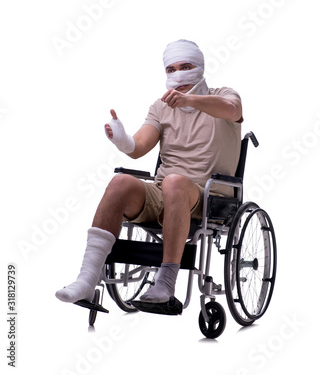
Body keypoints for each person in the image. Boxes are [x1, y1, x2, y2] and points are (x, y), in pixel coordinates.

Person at [56, 39, 243, 305]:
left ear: (200, 68)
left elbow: (233, 110)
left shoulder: (224, 95)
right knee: (120, 182)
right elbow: (139, 146)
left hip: (209, 196)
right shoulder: (161, 106)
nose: (178, 75)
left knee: (175, 182)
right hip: (165, 191)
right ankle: (86, 279)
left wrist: (190, 99)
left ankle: (166, 282)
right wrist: (122, 139)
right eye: (172, 69)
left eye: (186, 67)